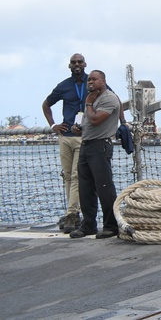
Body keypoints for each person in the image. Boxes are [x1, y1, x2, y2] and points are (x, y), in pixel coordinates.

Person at [70, 70, 121, 239]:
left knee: (104, 187)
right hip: (86, 145)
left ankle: (111, 225)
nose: (90, 82)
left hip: (100, 146)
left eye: (94, 79)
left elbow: (96, 119)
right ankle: (88, 225)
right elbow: (88, 123)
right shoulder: (92, 99)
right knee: (85, 188)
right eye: (89, 80)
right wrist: (78, 129)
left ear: (103, 81)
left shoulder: (109, 98)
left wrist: (89, 104)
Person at [41, 53, 89, 233]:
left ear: (85, 64)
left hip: (83, 137)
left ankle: (71, 214)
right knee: (68, 175)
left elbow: (112, 100)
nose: (76, 65)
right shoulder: (63, 86)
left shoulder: (92, 82)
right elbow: (46, 105)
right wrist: (53, 125)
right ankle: (75, 214)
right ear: (69, 66)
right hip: (65, 136)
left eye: (79, 62)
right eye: (73, 62)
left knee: (77, 175)